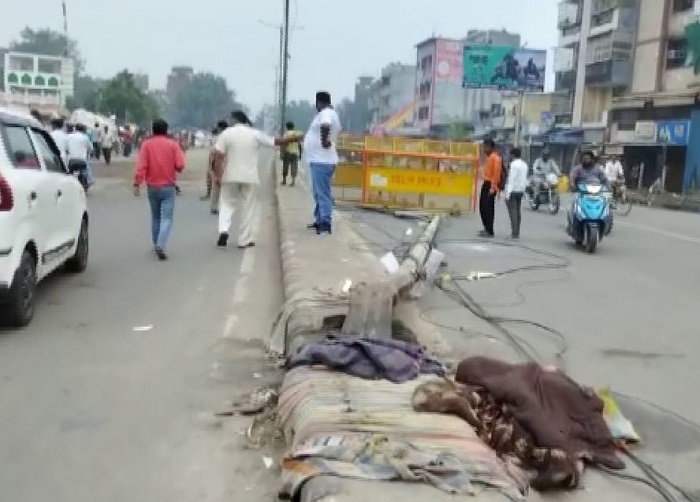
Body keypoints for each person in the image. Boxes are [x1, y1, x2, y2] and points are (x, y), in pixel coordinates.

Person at [212, 110, 291, 248]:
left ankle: (223, 230)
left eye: (230, 119)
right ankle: (244, 240)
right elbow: (276, 141)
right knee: (248, 208)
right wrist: (293, 139)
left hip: (230, 175)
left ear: (235, 119)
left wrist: (218, 176)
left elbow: (218, 156)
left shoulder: (226, 133)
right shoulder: (254, 133)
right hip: (249, 177)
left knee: (226, 204)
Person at [133, 119, 185, 261]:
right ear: (166, 130)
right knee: (167, 217)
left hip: (152, 186)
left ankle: (156, 243)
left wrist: (137, 183)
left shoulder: (146, 145)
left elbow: (141, 166)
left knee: (155, 216)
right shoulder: (173, 145)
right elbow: (180, 165)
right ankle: (161, 245)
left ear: (152, 130)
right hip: (168, 186)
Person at [304, 91, 342, 235]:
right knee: (318, 192)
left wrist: (324, 140)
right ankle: (320, 219)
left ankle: (325, 222)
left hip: (322, 160)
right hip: (319, 160)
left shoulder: (325, 113)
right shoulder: (331, 113)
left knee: (322, 193)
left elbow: (325, 125)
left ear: (319, 102)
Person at [479, 138, 502, 238]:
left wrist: (493, 187)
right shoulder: (490, 157)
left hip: (490, 185)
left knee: (488, 209)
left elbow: (496, 174)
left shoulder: (495, 158)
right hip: (486, 183)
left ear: (491, 147)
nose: (484, 149)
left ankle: (489, 230)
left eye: (486, 147)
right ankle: (486, 227)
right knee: (483, 207)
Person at [204, 120, 229, 214]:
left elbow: (212, 152)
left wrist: (211, 165)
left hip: (216, 160)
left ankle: (214, 205)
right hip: (224, 161)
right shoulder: (226, 137)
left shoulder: (217, 138)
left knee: (216, 184)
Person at [505, 147, 528, 239]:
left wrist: (507, 193)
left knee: (513, 212)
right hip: (521, 190)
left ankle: (514, 233)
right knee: (518, 211)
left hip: (513, 190)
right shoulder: (524, 165)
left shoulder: (513, 165)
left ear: (513, 155)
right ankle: (517, 231)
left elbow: (512, 179)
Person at [281, 121, 302, 186]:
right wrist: (300, 154)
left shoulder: (286, 134)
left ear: (287, 127)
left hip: (287, 152)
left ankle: (284, 181)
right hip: (295, 153)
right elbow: (299, 145)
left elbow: (283, 144)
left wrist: (282, 154)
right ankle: (293, 181)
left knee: (285, 167)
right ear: (293, 126)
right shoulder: (297, 133)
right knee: (294, 167)